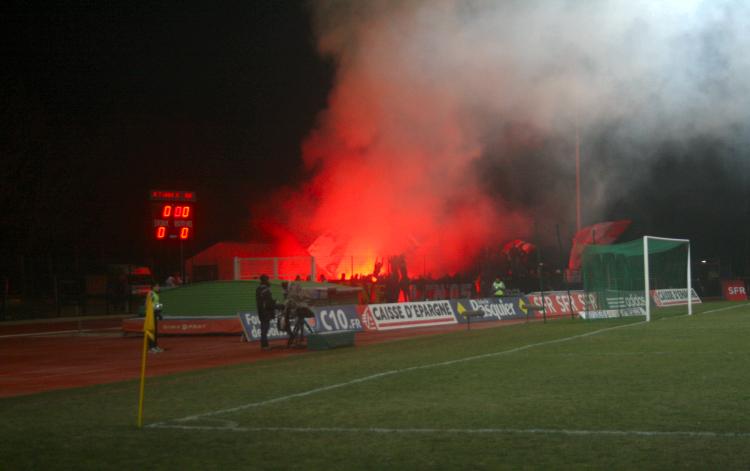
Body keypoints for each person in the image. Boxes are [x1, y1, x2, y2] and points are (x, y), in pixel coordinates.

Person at [255, 274, 278, 350]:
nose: (269, 281)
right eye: (267, 279)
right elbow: (268, 302)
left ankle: (264, 344)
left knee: (263, 328)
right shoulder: (266, 290)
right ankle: (264, 345)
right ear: (265, 281)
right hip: (266, 312)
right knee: (265, 328)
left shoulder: (258, 289)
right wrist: (275, 303)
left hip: (261, 311)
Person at [147, 283, 164, 352]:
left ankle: (155, 346)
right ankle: (151, 348)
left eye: (159, 286)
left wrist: (159, 313)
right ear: (153, 287)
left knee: (155, 331)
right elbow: (147, 304)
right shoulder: (151, 293)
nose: (158, 287)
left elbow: (156, 304)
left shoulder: (156, 294)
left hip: (155, 314)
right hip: (150, 315)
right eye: (157, 286)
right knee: (151, 331)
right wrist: (153, 311)